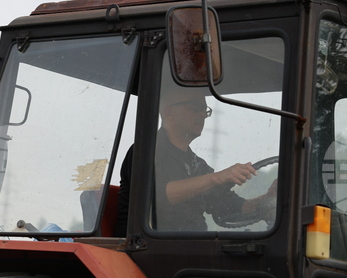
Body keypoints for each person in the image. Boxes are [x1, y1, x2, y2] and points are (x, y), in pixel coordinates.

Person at [116, 86, 276, 235]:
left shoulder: (197, 165)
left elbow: (226, 207)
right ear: (169, 113)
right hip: (147, 249)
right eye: (194, 106)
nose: (202, 115)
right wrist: (217, 177)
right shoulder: (145, 151)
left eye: (204, 110)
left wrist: (267, 200)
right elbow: (158, 198)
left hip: (190, 246)